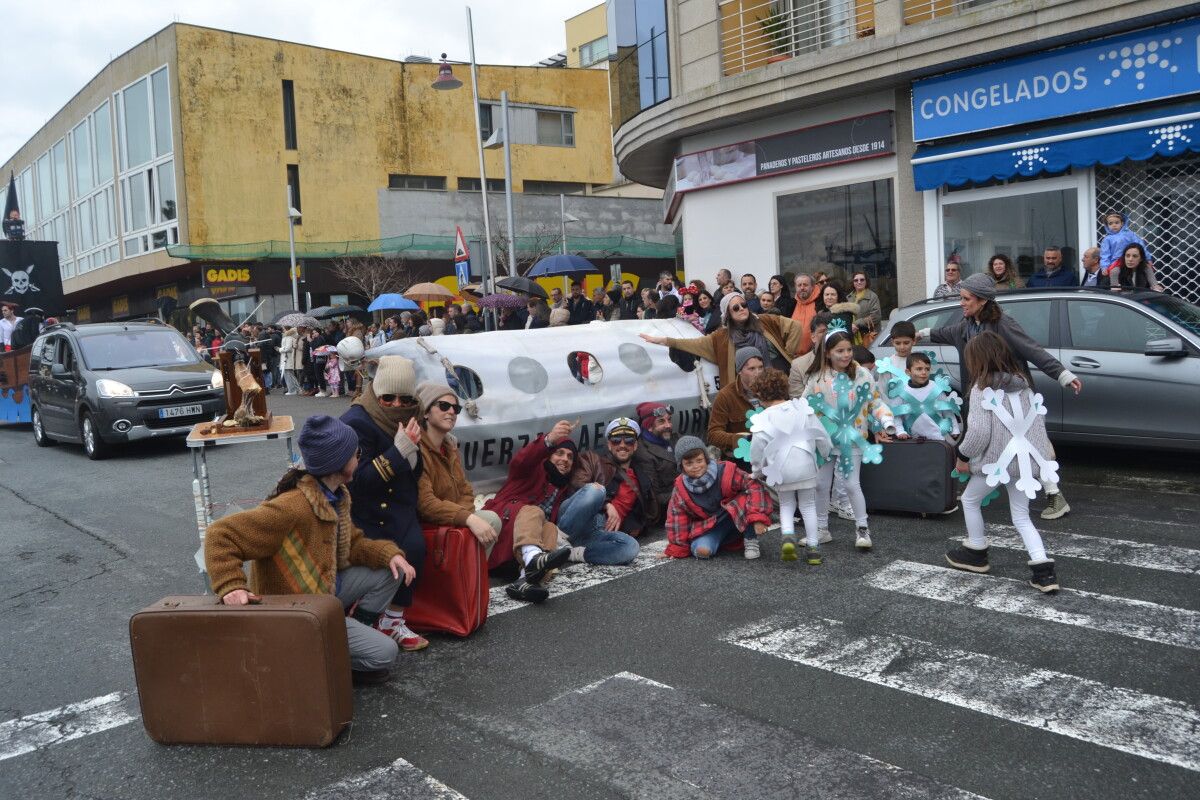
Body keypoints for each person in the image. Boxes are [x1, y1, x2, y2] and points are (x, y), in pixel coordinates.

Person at [204, 415, 416, 685]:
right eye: (357, 453)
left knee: (392, 571)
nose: (360, 458)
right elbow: (220, 534)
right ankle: (322, 650)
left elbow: (353, 544)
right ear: (340, 464)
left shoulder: (337, 494)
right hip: (298, 613)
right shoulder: (293, 507)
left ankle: (346, 634)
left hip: (326, 591)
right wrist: (232, 586)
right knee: (384, 653)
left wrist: (390, 554)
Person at [916, 271, 1081, 520]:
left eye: (966, 299)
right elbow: (946, 333)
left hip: (1014, 395)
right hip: (987, 397)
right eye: (961, 298)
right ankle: (980, 490)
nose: (961, 303)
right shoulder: (967, 325)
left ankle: (1054, 495)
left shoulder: (1004, 324)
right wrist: (920, 333)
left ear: (982, 300)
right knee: (996, 444)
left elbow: (1032, 350)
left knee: (1032, 444)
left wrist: (1063, 375)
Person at [946, 332, 1060, 593]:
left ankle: (976, 551)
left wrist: (962, 457)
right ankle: (1044, 571)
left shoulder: (980, 389)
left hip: (997, 464)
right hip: (1026, 463)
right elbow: (1037, 426)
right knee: (1021, 516)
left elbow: (978, 433)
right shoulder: (1024, 385)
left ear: (977, 360)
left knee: (970, 500)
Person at [340, 356, 428, 651]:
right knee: (391, 555)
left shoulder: (415, 415)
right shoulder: (356, 421)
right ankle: (361, 621)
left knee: (415, 545)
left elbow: (415, 472)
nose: (395, 405)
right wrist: (400, 451)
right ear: (376, 393)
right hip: (364, 511)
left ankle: (392, 620)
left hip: (399, 504)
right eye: (387, 398)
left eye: (404, 398)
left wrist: (412, 454)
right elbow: (357, 481)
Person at [803, 326, 895, 551]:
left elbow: (875, 401)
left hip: (852, 440)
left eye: (848, 350)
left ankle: (862, 529)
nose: (845, 355)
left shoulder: (862, 374)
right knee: (820, 485)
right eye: (839, 351)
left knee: (852, 484)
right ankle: (822, 530)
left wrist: (886, 420)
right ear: (827, 353)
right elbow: (804, 406)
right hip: (824, 441)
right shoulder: (817, 378)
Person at [480, 420, 577, 602]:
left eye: (570, 457)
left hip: (514, 559)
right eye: (559, 453)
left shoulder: (563, 488)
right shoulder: (530, 470)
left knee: (549, 528)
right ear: (548, 456)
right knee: (534, 511)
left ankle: (525, 580)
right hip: (498, 541)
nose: (565, 459)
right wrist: (549, 440)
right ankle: (534, 558)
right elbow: (521, 460)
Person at [747, 369, 832, 563]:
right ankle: (813, 548)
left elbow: (757, 450)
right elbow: (821, 435)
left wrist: (756, 472)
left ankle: (787, 535)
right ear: (784, 389)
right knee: (808, 506)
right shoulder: (802, 409)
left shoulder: (762, 420)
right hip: (806, 466)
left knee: (786, 504)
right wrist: (825, 453)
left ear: (759, 396)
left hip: (780, 470)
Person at [639, 290, 804, 388]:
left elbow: (795, 327)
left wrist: (787, 352)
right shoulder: (722, 336)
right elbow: (695, 344)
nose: (742, 309)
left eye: (744, 305)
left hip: (778, 382)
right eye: (736, 307)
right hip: (745, 389)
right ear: (728, 313)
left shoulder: (765, 321)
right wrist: (666, 341)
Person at [413, 382, 502, 558]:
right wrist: (467, 518)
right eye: (444, 406)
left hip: (451, 518)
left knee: (491, 520)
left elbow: (466, 490)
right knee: (488, 521)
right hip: (428, 525)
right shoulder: (416, 450)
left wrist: (463, 516)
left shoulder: (450, 447)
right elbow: (426, 505)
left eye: (456, 408)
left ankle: (469, 579)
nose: (452, 412)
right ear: (425, 412)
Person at [664, 436, 774, 560]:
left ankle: (750, 538)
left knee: (746, 495)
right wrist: (677, 548)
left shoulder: (726, 470)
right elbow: (676, 517)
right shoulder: (680, 488)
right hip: (711, 525)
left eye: (699, 460)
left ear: (706, 459)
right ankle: (723, 540)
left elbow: (753, 484)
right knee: (702, 551)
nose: (695, 466)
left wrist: (758, 517)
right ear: (681, 466)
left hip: (738, 515)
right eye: (689, 463)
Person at [564, 418, 652, 550]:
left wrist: (634, 526)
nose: (622, 445)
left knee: (631, 547)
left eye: (628, 440)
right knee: (595, 490)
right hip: (583, 519)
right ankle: (561, 538)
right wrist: (606, 504)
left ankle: (575, 552)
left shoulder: (642, 475)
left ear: (635, 446)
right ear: (609, 445)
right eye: (616, 440)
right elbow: (577, 487)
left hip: (602, 532)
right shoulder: (592, 460)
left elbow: (650, 511)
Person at [708, 347, 764, 464]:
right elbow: (713, 435)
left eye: (760, 367)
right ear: (739, 370)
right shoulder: (725, 396)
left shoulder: (771, 389)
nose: (758, 373)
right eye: (752, 369)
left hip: (771, 453)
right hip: (743, 459)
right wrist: (739, 439)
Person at [892, 353, 960, 441]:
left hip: (937, 438)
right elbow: (896, 415)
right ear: (908, 372)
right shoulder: (902, 391)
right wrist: (900, 431)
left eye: (927, 369)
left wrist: (954, 429)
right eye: (919, 369)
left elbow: (947, 410)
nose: (924, 372)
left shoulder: (936, 388)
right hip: (912, 440)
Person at [631, 401, 679, 525]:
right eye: (661, 422)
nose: (668, 425)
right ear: (649, 426)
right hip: (669, 510)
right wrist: (687, 492)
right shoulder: (643, 453)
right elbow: (655, 498)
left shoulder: (674, 439)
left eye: (669, 420)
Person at [787, 312, 833, 397]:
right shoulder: (799, 365)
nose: (827, 335)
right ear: (813, 336)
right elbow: (797, 399)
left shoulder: (846, 359)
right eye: (822, 331)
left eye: (831, 330)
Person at [1099, 211, 1155, 279]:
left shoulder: (1130, 234)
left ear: (1122, 223)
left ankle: (1154, 285)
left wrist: (1147, 258)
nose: (1114, 225)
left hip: (1132, 259)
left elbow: (1141, 245)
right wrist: (1104, 267)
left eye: (1117, 223)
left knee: (1147, 268)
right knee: (1114, 272)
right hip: (1116, 262)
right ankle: (1115, 287)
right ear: (1107, 226)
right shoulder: (1107, 239)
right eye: (1110, 223)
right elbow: (1105, 254)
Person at [789, 274, 819, 355]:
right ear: (795, 287)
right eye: (799, 285)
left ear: (812, 287)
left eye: (805, 285)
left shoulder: (820, 303)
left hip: (815, 355)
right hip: (793, 356)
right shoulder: (791, 304)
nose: (802, 288)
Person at [849, 271, 882, 343]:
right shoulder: (848, 298)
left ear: (866, 281)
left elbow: (876, 316)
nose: (859, 282)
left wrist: (857, 324)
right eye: (856, 280)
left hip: (868, 337)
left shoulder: (872, 297)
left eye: (862, 280)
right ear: (853, 282)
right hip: (852, 336)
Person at [279, 326, 304, 395]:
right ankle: (296, 389)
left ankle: (292, 390)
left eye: (283, 329)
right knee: (290, 374)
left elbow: (288, 348)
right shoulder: (291, 337)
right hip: (288, 358)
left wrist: (280, 349)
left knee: (288, 375)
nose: (282, 330)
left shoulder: (288, 337)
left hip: (287, 358)